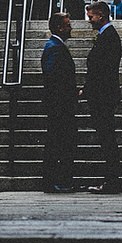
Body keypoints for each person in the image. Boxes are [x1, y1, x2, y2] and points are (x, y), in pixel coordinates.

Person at [82, 0, 122, 192]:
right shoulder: (106, 35)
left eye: (91, 17)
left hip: (103, 97)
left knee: (107, 138)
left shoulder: (108, 37)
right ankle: (111, 179)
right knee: (106, 137)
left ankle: (111, 180)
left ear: (101, 16)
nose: (89, 20)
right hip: (103, 95)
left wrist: (88, 89)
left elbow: (101, 71)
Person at [40, 11, 78, 192]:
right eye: (68, 25)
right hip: (59, 106)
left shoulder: (56, 46)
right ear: (59, 27)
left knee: (58, 142)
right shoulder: (55, 47)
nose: (71, 28)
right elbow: (53, 78)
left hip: (60, 104)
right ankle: (55, 182)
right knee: (59, 143)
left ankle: (57, 181)